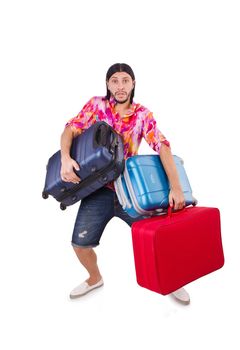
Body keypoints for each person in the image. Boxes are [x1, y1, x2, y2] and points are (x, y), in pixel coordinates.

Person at [62, 63, 189, 304]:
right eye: (115, 81)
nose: (120, 86)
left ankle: (174, 281)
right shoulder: (96, 105)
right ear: (108, 84)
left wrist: (176, 186)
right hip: (98, 190)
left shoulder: (142, 114)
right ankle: (94, 278)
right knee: (79, 244)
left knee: (159, 239)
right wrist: (65, 159)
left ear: (133, 84)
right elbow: (71, 129)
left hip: (131, 191)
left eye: (125, 80)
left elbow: (162, 145)